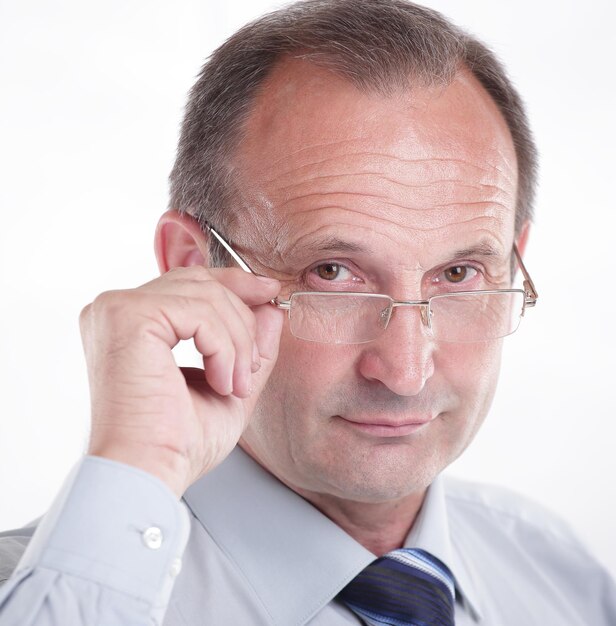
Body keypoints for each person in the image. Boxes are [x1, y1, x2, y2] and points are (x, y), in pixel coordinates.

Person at [0, 0, 614, 624]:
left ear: (515, 264)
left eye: (458, 275)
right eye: (333, 274)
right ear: (193, 266)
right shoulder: (45, 594)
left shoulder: (562, 578)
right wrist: (135, 470)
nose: (405, 371)